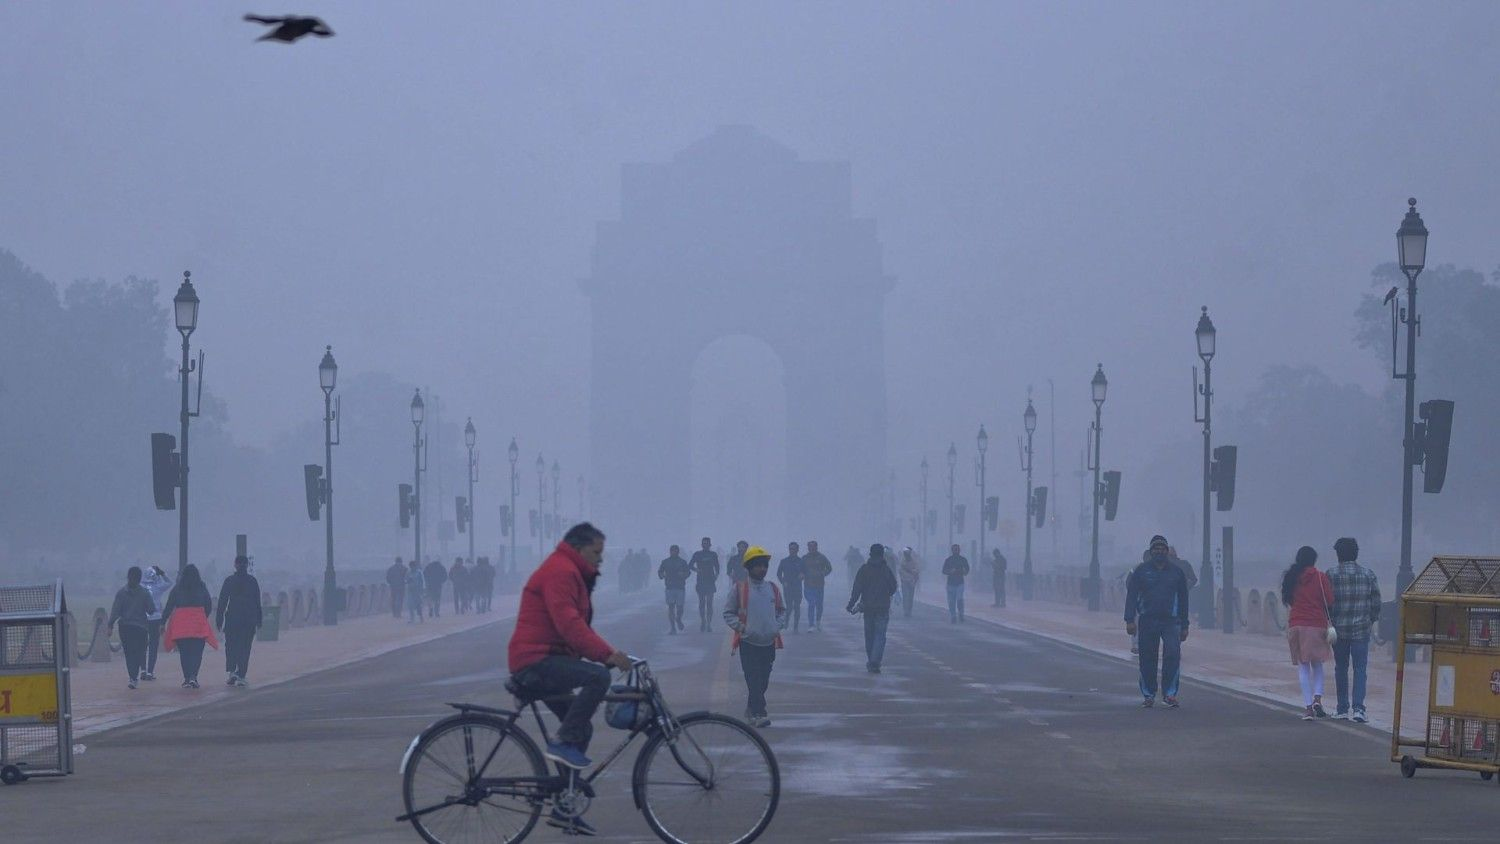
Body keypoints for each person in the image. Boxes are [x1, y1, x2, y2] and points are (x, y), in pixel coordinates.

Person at [508, 522, 631, 839]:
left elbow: (575, 628)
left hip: (547, 658)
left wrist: (606, 652)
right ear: (579, 548)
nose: (600, 559)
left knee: (583, 728)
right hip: (534, 660)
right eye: (597, 552)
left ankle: (564, 807)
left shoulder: (570, 571)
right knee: (597, 677)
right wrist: (606, 655)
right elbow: (570, 625)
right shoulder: (561, 571)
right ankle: (562, 742)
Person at [723, 545, 786, 728]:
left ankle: (751, 708)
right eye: (758, 565)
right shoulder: (739, 588)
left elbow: (782, 611)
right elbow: (728, 613)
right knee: (753, 680)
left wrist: (776, 626)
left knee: (763, 681)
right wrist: (742, 628)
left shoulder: (773, 588)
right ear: (749, 567)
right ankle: (759, 713)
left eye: (764, 565)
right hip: (748, 643)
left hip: (768, 642)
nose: (762, 569)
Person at [1125, 536, 1191, 708]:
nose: (1159, 551)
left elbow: (1183, 600)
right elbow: (1131, 596)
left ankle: (1169, 694)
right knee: (1147, 658)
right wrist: (1129, 619)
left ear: (1167, 551)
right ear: (1151, 551)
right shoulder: (1141, 571)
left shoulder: (1176, 573)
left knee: (1172, 655)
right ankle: (1148, 694)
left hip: (1171, 622)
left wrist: (1185, 625)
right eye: (1156, 548)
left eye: (1162, 548)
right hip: (1147, 620)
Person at [1327, 537, 1380, 722]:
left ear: (1338, 554)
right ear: (1356, 553)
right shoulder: (1368, 574)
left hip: (1339, 630)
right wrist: (1370, 620)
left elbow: (1326, 603)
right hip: (1361, 629)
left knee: (1341, 668)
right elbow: (1376, 602)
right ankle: (1359, 709)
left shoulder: (1331, 575)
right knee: (1360, 669)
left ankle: (1342, 708)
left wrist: (1330, 621)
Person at [1283, 545, 1335, 720]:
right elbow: (1329, 600)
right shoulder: (1320, 577)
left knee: (1303, 666)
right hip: (1317, 624)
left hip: (1297, 624)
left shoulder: (1291, 577)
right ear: (1314, 560)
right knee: (1317, 664)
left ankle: (1307, 708)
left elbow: (1289, 600)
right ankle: (1317, 699)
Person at [161, 563, 217, 688]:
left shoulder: (177, 588)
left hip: (181, 625)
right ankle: (193, 677)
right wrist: (202, 616)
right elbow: (208, 604)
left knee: (184, 653)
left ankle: (187, 678)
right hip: (198, 624)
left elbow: (169, 606)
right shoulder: (201, 587)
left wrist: (162, 622)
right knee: (197, 652)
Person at [847, 544, 899, 673]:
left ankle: (872, 660)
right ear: (882, 555)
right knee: (880, 636)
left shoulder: (864, 569)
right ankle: (875, 661)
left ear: (870, 554)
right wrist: (885, 594)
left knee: (869, 636)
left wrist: (851, 604)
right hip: (882, 607)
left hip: (868, 607)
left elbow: (857, 588)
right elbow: (893, 587)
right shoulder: (886, 570)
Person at [215, 555, 263, 687]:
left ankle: (232, 672)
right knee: (245, 648)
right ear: (247, 565)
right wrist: (259, 619)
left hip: (233, 619)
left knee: (231, 646)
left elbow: (222, 601)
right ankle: (241, 675)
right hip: (248, 619)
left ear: (235, 565)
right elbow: (257, 602)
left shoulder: (229, 581)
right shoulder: (252, 581)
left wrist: (219, 619)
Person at [107, 566, 156, 690]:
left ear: (128, 577)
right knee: (138, 652)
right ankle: (133, 676)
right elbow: (151, 610)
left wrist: (110, 625)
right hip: (140, 627)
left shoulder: (121, 593)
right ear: (140, 579)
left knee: (129, 653)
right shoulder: (144, 593)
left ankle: (133, 677)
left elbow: (115, 611)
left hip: (126, 627)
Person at [140, 565, 173, 682]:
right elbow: (170, 582)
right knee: (153, 645)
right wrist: (162, 573)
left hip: (143, 618)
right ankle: (150, 672)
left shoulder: (141, 587)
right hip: (155, 618)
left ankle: (143, 670)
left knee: (142, 645)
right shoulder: (158, 586)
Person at [688, 537, 721, 632]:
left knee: (709, 603)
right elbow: (690, 565)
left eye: (707, 543)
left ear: (710, 544)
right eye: (703, 543)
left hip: (710, 580)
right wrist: (696, 570)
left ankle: (709, 624)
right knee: (702, 603)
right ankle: (703, 621)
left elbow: (717, 567)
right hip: (701, 581)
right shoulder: (697, 554)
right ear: (701, 544)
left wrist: (716, 575)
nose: (705, 545)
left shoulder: (713, 554)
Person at [658, 545, 691, 634]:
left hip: (680, 587)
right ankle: (673, 628)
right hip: (669, 587)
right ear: (670, 551)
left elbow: (688, 572)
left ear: (678, 552)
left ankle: (678, 619)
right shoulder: (665, 562)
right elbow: (660, 571)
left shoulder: (682, 562)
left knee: (680, 608)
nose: (673, 552)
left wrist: (683, 575)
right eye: (672, 551)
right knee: (671, 607)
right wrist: (662, 575)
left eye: (675, 551)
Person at [802, 540, 833, 632]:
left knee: (819, 605)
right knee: (811, 604)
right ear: (808, 548)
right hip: (808, 585)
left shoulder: (822, 557)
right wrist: (801, 574)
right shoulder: (804, 558)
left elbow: (829, 568)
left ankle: (818, 621)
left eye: (813, 547)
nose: (811, 548)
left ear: (816, 547)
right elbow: (800, 569)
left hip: (819, 585)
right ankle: (811, 625)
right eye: (810, 547)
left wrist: (823, 573)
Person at [776, 542, 806, 633]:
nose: (792, 550)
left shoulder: (801, 561)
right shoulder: (784, 561)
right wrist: (782, 582)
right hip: (787, 587)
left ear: (797, 550)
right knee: (789, 607)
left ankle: (795, 627)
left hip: (797, 587)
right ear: (789, 550)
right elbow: (778, 573)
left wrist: (803, 575)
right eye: (790, 549)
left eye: (794, 549)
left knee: (797, 607)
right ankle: (786, 621)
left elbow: (806, 572)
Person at [941, 544, 970, 623]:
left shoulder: (963, 559)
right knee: (951, 601)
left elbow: (967, 569)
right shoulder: (948, 560)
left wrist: (965, 571)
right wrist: (950, 571)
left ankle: (961, 614)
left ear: (959, 550)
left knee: (959, 599)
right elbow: (943, 571)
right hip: (950, 583)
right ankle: (953, 616)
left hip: (960, 583)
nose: (956, 551)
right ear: (952, 550)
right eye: (954, 549)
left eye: (957, 549)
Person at [898, 547, 922, 618]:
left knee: (910, 597)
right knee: (905, 597)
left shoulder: (914, 561)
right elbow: (900, 571)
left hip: (912, 581)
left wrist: (911, 572)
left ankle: (909, 610)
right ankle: (906, 611)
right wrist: (910, 573)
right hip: (904, 581)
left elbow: (917, 569)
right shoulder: (902, 561)